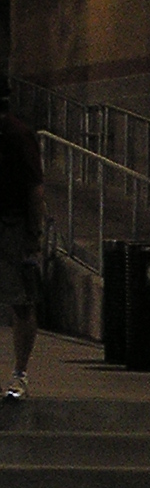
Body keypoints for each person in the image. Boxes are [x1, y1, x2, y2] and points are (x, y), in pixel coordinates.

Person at [0, 94, 45, 401]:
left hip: (11, 224)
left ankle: (20, 374)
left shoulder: (17, 135)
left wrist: (34, 233)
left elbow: (35, 187)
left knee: (20, 300)